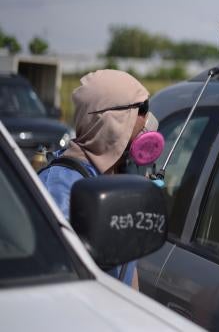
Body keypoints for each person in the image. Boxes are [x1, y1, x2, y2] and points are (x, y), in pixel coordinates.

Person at [38, 69, 159, 289]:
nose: (147, 119)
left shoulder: (118, 174)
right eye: (142, 109)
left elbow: (127, 266)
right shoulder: (59, 188)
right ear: (112, 121)